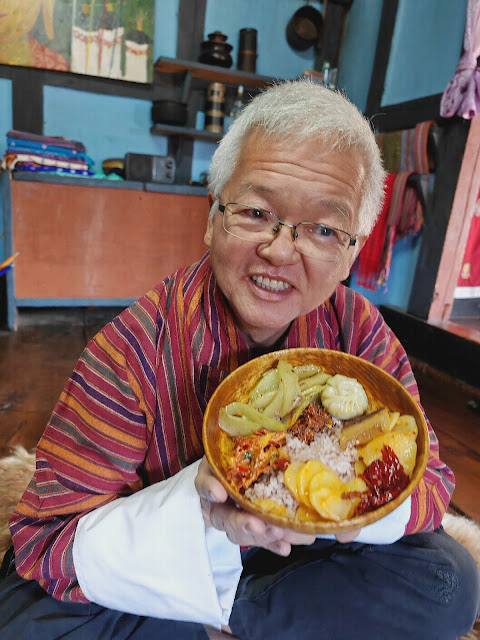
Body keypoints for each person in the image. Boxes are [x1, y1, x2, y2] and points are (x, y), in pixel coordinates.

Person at [0, 80, 479, 640]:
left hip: (295, 561)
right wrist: (200, 514)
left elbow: (432, 482)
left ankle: (228, 616)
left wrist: (357, 508)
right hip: (167, 557)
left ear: (350, 253)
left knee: (449, 580)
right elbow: (44, 543)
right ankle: (224, 614)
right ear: (211, 217)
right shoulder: (130, 351)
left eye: (324, 229)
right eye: (255, 211)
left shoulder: (360, 331)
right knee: (25, 620)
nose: (280, 251)